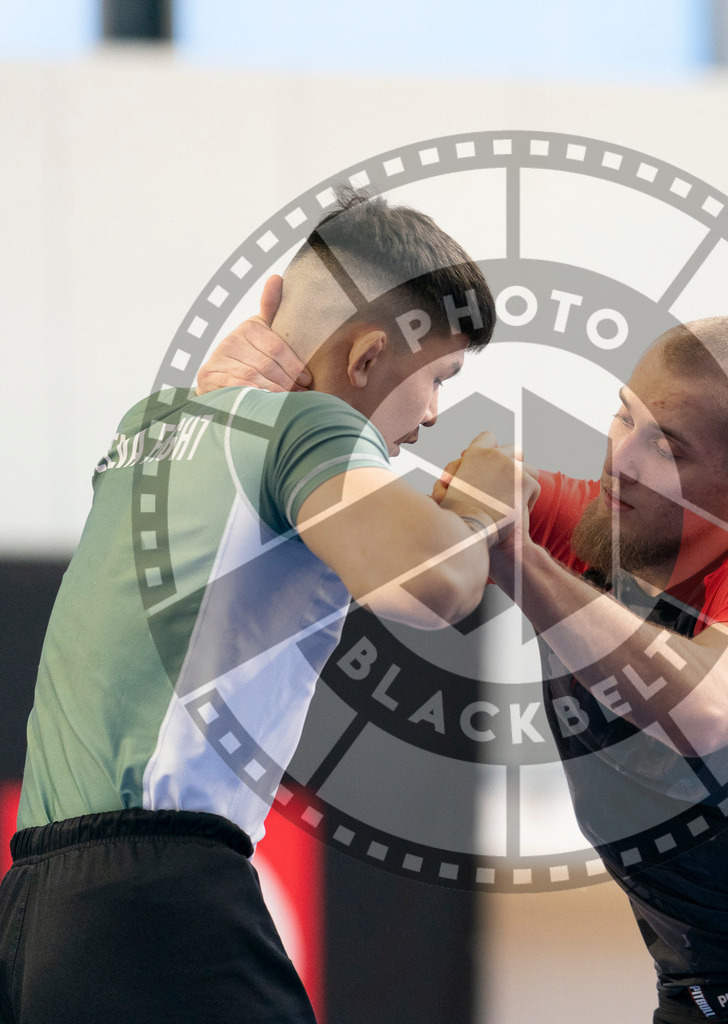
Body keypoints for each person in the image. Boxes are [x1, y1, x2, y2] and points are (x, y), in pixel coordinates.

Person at [205, 300, 728, 1024]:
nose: (620, 461)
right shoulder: (597, 526)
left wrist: (517, 557)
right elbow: (381, 522)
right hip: (697, 996)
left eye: (667, 446)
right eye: (624, 413)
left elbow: (710, 708)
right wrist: (277, 407)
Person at [0, 189, 537, 1024]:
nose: (432, 414)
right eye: (436, 378)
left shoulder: (147, 425)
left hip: (35, 906)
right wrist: (475, 505)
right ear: (364, 362)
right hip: (159, 895)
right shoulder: (311, 425)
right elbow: (435, 588)